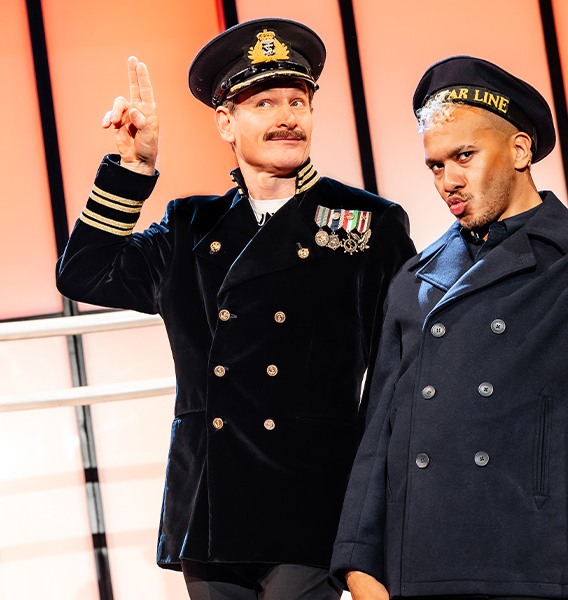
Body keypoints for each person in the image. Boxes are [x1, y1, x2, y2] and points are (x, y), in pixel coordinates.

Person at [55, 18, 415, 600]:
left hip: (314, 498)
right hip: (212, 503)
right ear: (225, 121)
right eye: (265, 102)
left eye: (298, 100)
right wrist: (133, 169)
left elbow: (403, 363)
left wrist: (382, 508)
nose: (287, 116)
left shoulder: (368, 222)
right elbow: (84, 274)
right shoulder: (190, 224)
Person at [330, 56, 568, 600]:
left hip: (539, 568)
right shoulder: (414, 279)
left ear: (520, 150)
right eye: (435, 165)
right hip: (418, 571)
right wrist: (359, 569)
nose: (448, 180)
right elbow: (379, 438)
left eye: (465, 156)